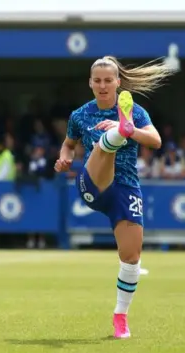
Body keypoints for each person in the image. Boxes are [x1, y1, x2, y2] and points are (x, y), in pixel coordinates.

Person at [55, 56, 174, 338]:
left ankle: (120, 315)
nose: (103, 85)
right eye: (97, 80)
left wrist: (133, 131)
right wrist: (64, 158)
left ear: (118, 82)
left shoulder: (138, 112)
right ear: (90, 83)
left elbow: (155, 141)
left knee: (131, 258)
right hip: (93, 184)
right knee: (104, 147)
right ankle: (117, 133)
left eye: (108, 80)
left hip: (125, 188)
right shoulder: (80, 115)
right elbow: (69, 144)